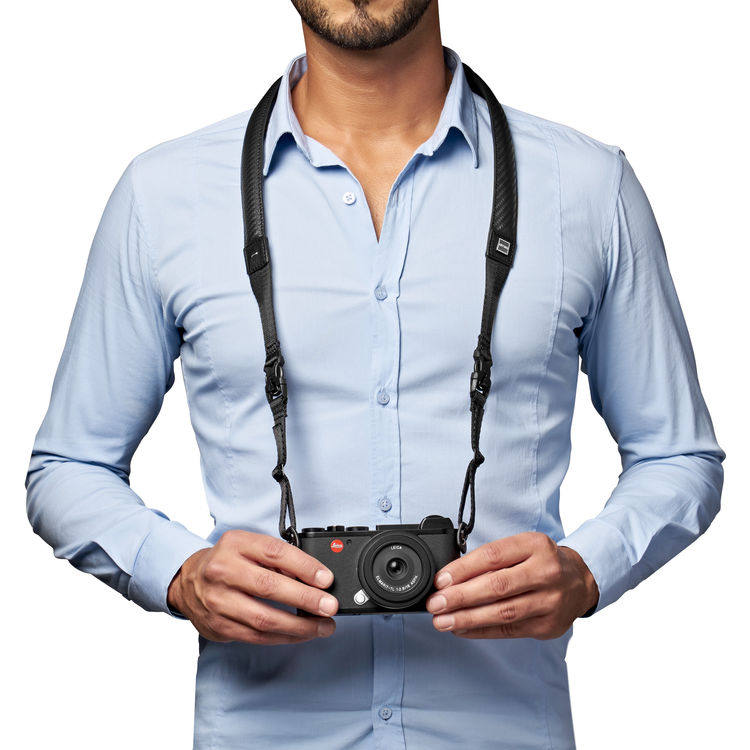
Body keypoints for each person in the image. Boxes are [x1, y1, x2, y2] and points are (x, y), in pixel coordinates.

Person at [25, 1, 724, 748]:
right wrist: (179, 574)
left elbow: (678, 455)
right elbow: (68, 467)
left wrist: (586, 572)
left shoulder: (588, 187)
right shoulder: (164, 194)